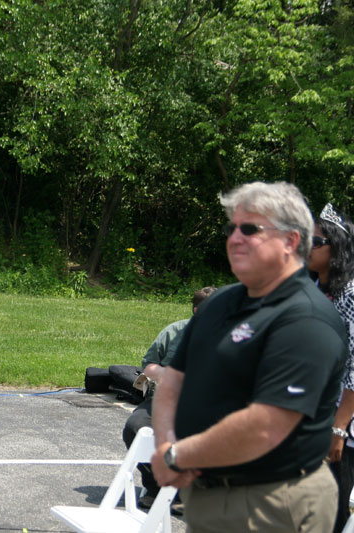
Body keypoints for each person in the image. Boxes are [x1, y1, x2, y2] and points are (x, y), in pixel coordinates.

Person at [150, 181, 347, 532]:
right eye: (232, 228)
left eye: (250, 228)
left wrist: (177, 456)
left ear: (291, 241)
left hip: (272, 503)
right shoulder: (220, 303)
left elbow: (265, 427)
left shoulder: (307, 320)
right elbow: (173, 380)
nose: (235, 238)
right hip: (206, 494)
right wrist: (166, 443)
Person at [122, 286, 216, 511]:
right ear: (196, 310)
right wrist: (166, 374)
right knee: (134, 428)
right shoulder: (174, 332)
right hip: (166, 401)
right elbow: (148, 364)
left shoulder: (234, 336)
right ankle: (155, 487)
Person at [307, 203, 354, 532]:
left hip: (341, 426)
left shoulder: (351, 296)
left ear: (337, 248)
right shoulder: (313, 290)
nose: (306, 248)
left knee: (329, 510)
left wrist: (338, 428)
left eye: (316, 242)